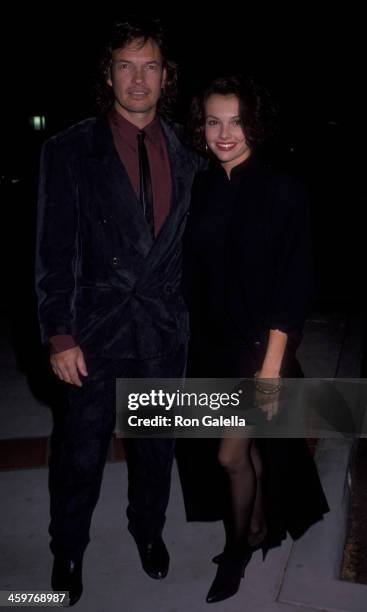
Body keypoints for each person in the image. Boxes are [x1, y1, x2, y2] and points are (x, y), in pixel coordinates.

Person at [36, 17, 203, 605]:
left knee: (156, 450)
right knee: (81, 452)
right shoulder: (68, 149)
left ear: (166, 76)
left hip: (161, 333)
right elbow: (54, 251)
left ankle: (148, 531)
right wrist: (59, 335)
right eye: (126, 65)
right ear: (108, 75)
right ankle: (69, 548)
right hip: (94, 331)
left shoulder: (188, 152)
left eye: (150, 65)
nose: (139, 79)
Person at [176, 75, 329, 604]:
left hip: (259, 349)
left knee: (228, 456)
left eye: (236, 120)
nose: (224, 133)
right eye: (214, 121)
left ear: (254, 123)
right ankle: (260, 524)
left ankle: (238, 546)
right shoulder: (202, 184)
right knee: (244, 453)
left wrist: (270, 370)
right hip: (213, 345)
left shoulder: (282, 189)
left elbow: (296, 282)